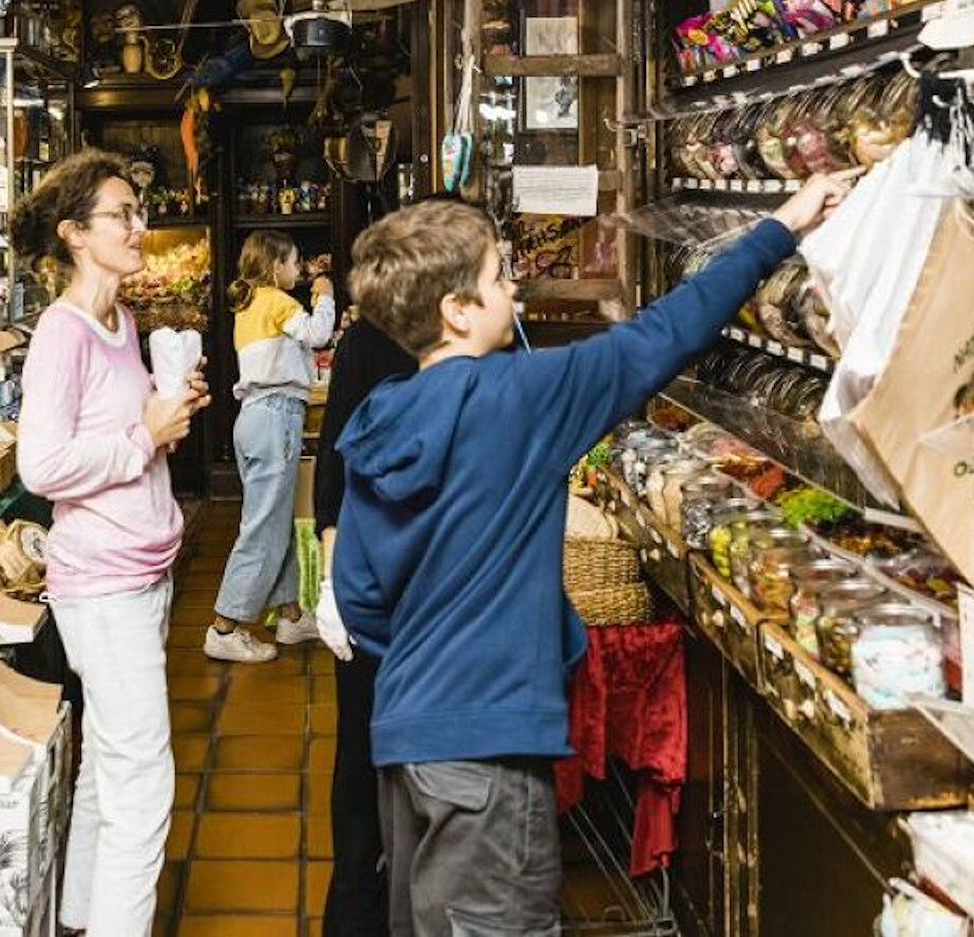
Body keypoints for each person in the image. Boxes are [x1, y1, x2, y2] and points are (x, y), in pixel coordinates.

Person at [334, 174, 852, 935]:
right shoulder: (519, 398)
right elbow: (664, 334)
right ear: (457, 310)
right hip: (491, 743)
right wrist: (783, 224)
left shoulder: (379, 418)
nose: (512, 291)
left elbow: (359, 598)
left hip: (407, 736)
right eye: (499, 278)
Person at [12, 149, 209, 937]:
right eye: (121, 215)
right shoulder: (62, 333)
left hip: (142, 570)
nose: (139, 226)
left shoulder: (120, 322)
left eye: (138, 211)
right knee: (142, 785)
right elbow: (44, 464)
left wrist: (166, 412)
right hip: (103, 584)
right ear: (74, 235)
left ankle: (81, 918)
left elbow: (124, 433)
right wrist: (142, 434)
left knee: (105, 763)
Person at [315, 310, 418, 936]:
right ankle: (357, 903)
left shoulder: (495, 349)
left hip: (413, 594)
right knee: (363, 758)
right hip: (375, 587)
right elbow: (335, 467)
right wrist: (330, 581)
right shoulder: (373, 339)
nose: (509, 285)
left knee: (382, 764)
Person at [206, 230, 337, 662]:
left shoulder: (248, 305)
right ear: (275, 264)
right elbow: (318, 335)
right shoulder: (280, 302)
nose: (299, 271)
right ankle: (223, 626)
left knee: (274, 521)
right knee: (263, 526)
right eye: (295, 263)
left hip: (254, 420)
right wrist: (325, 295)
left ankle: (292, 616)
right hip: (277, 416)